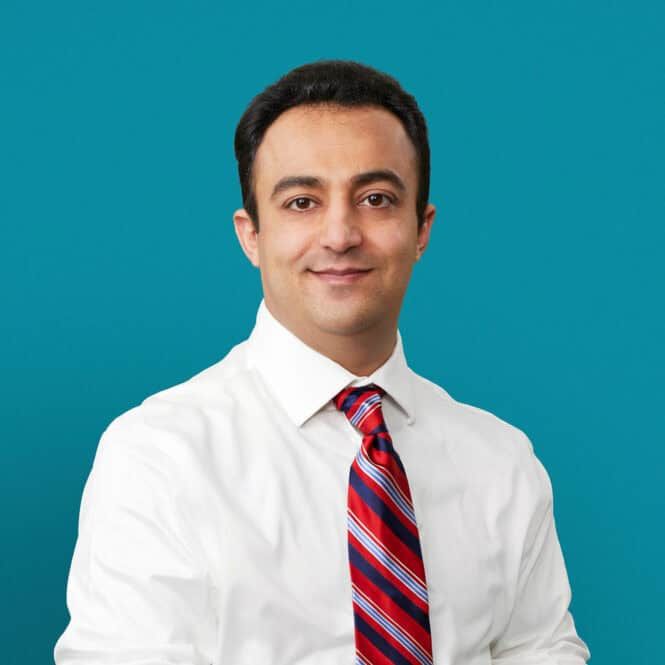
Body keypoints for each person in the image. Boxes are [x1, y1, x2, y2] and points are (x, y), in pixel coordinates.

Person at [54, 60, 591, 664]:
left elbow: (542, 650)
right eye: (302, 202)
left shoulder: (501, 462)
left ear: (421, 228)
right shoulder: (159, 458)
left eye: (376, 199)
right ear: (251, 235)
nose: (340, 234)